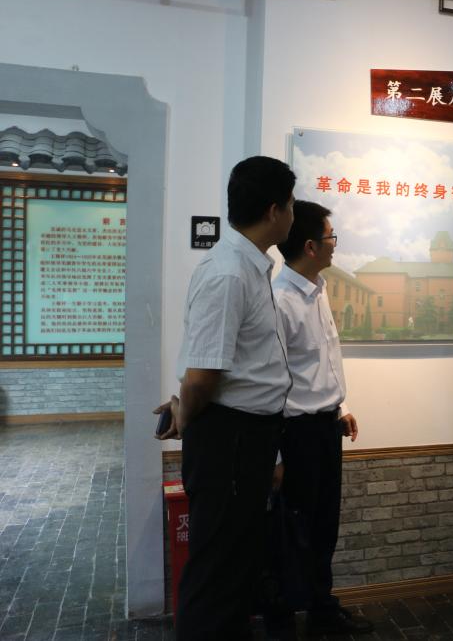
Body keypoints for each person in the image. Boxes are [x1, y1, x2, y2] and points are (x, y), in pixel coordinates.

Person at [154, 156, 295, 640]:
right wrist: (186, 415)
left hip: (245, 438)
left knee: (236, 564)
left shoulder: (248, 267)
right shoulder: (229, 273)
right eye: (291, 204)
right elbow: (201, 377)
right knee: (217, 569)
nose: (292, 214)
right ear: (274, 210)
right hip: (228, 439)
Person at [265, 200, 373, 638]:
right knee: (291, 531)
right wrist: (274, 455)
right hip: (295, 435)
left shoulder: (319, 288)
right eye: (331, 238)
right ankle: (281, 621)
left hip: (326, 427)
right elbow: (269, 383)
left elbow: (323, 361)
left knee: (324, 525)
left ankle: (321, 608)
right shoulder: (280, 301)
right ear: (310, 246)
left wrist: (340, 408)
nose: (335, 245)